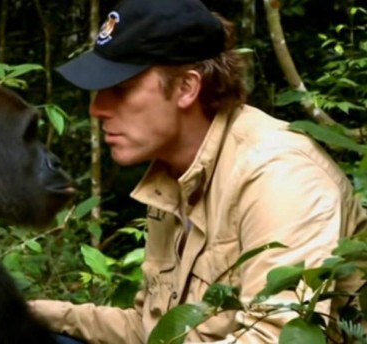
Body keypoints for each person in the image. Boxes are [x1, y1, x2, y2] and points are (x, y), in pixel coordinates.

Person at [29, 0, 367, 343]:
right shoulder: (174, 177)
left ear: (186, 88)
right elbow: (150, 331)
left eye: (120, 89)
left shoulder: (278, 174)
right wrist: (34, 312)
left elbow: (273, 339)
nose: (98, 108)